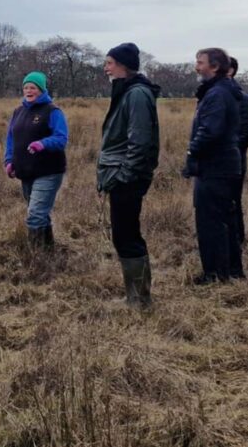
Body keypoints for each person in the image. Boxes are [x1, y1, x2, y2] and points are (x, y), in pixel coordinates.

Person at [97, 43, 162, 308]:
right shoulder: (128, 92)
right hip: (122, 175)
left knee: (127, 235)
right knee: (124, 234)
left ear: (123, 65)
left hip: (128, 177)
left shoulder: (136, 94)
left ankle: (140, 301)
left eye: (109, 62)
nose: (106, 68)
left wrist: (125, 175)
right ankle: (135, 297)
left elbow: (140, 140)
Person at [182, 48, 243, 285]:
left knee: (211, 223)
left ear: (214, 67)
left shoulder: (217, 94)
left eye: (200, 62)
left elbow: (210, 131)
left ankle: (215, 275)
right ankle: (232, 272)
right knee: (225, 220)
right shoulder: (222, 91)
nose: (196, 66)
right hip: (223, 166)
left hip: (215, 168)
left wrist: (192, 150)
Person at [3, 72, 69, 251]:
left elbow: (61, 138)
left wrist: (43, 143)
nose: (28, 90)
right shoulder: (18, 111)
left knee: (35, 214)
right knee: (40, 213)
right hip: (26, 171)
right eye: (26, 87)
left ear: (41, 89)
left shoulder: (52, 111)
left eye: (33, 87)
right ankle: (48, 251)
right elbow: (10, 138)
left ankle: (37, 261)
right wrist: (9, 161)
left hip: (49, 171)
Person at [228, 57, 248, 278]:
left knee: (233, 201)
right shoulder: (213, 96)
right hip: (216, 164)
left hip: (234, 161)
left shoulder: (242, 99)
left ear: (231, 71)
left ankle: (238, 238)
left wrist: (229, 151)